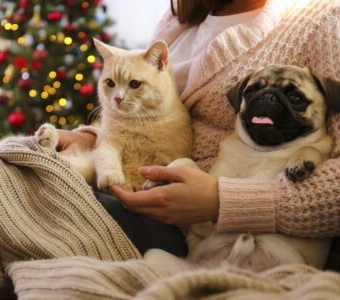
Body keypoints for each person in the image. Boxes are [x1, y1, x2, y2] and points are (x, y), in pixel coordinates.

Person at [58, 0, 340, 262]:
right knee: (25, 161)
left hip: (192, 231)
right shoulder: (178, 18)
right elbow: (150, 110)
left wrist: (222, 203)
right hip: (136, 183)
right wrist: (90, 137)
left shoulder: (322, 21)